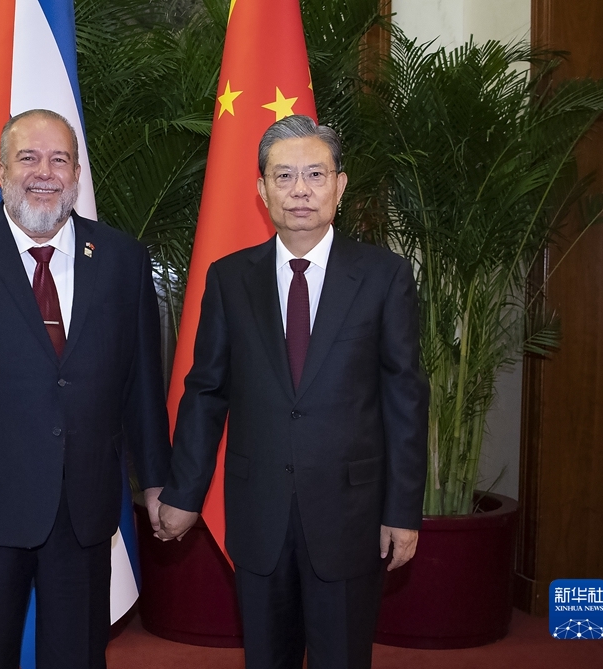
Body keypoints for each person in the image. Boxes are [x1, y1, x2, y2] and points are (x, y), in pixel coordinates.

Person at [0, 109, 171, 669]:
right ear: (1, 170)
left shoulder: (122, 259)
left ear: (77, 175)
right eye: (29, 158)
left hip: (84, 506)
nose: (45, 172)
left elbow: (141, 382)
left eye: (59, 160)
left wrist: (158, 481)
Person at [156, 115, 428, 669]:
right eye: (283, 176)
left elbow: (405, 400)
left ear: (339, 186)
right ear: (262, 190)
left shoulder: (384, 276)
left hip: (351, 515)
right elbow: (206, 391)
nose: (300, 189)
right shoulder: (229, 278)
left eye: (315, 174)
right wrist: (184, 493)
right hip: (259, 512)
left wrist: (403, 510)